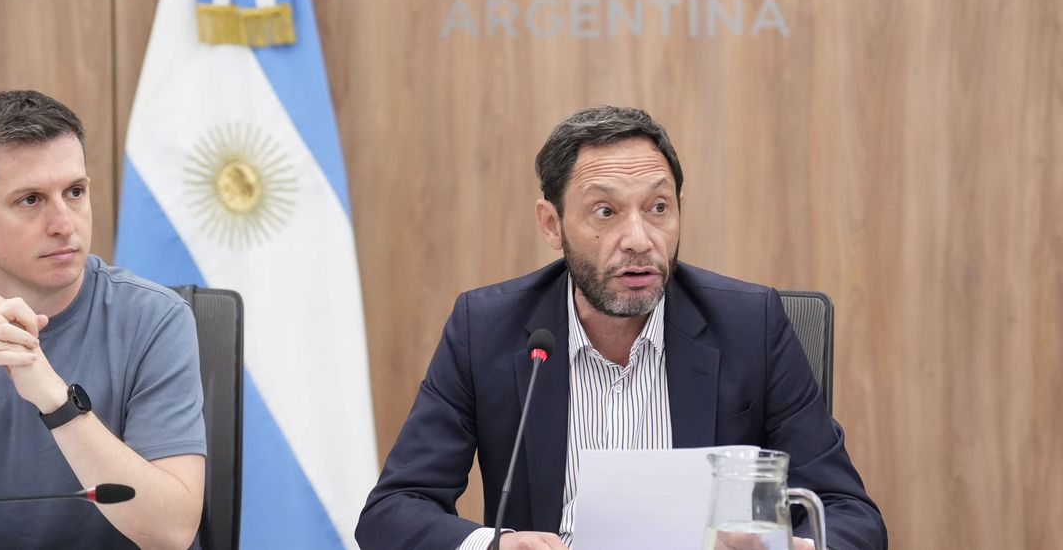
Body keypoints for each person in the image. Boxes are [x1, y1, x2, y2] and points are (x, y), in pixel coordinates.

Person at [356, 106, 886, 550]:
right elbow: (393, 510)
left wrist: (791, 548)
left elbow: (851, 515)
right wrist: (494, 545)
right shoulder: (487, 329)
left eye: (658, 208)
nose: (639, 239)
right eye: (606, 212)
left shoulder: (751, 326)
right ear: (552, 224)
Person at [0, 91, 206, 548]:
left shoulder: (156, 319)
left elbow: (173, 532)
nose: (64, 223)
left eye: (75, 192)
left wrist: (54, 400)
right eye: (30, 200)